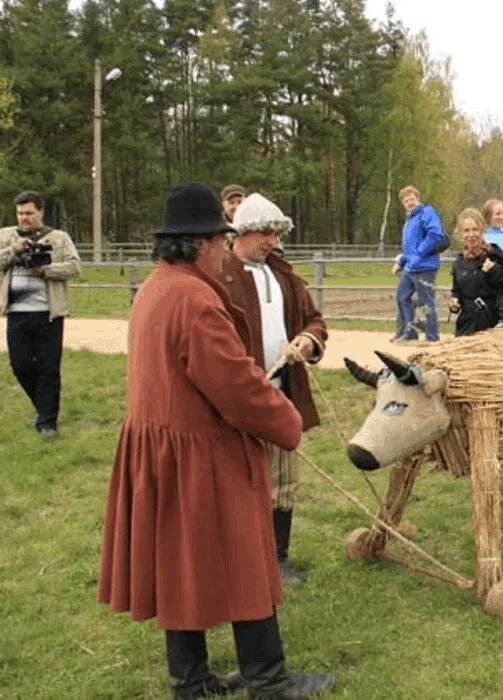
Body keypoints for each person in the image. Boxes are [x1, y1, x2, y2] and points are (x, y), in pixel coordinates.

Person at [97, 183, 335, 699]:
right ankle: (268, 681)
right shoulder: (195, 299)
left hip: (163, 449)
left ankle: (191, 679)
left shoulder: (158, 288)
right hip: (198, 451)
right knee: (247, 558)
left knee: (180, 562)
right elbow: (236, 388)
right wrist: (286, 421)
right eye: (219, 241)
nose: (224, 251)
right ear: (203, 243)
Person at [224, 193, 329, 587]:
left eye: (276, 233)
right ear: (244, 233)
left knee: (284, 480)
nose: (272, 240)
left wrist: (306, 339)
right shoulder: (221, 276)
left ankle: (277, 558)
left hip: (281, 395)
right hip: (237, 400)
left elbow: (315, 321)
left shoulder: (284, 276)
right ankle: (239, 561)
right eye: (265, 233)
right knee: (239, 480)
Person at [0, 190, 82, 438]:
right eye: (21, 213)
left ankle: (48, 422)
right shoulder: (6, 236)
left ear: (41, 212)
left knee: (48, 368)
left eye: (29, 213)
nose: (24, 218)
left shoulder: (58, 238)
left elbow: (75, 266)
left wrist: (46, 270)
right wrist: (13, 250)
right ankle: (43, 407)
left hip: (48, 313)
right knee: (21, 366)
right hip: (17, 312)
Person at [448, 207, 503, 336]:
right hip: (467, 325)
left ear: (482, 230)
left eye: (475, 229)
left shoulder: (496, 254)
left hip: (494, 324)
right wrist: (454, 302)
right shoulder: (459, 263)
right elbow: (457, 291)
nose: (471, 235)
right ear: (460, 234)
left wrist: (494, 271)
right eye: (466, 231)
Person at [392, 185, 446, 343]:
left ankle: (432, 337)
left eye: (412, 198)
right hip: (411, 267)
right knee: (402, 296)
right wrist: (402, 261)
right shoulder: (409, 220)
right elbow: (408, 247)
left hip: (425, 266)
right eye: (406, 200)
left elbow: (435, 234)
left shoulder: (426, 212)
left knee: (426, 301)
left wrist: (419, 253)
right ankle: (410, 333)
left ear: (418, 198)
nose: (409, 202)